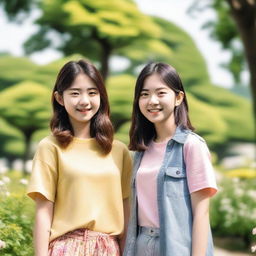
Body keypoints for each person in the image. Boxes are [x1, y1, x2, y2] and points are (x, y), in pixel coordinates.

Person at [27, 59, 132, 256]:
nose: (84, 101)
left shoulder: (119, 151)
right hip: (65, 248)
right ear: (59, 98)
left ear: (101, 96)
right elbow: (43, 213)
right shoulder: (50, 148)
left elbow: (127, 215)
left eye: (92, 93)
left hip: (109, 249)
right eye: (75, 93)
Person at [124, 62, 218, 256]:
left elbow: (202, 213)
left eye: (160, 93)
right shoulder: (141, 150)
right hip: (141, 245)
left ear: (178, 98)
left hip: (177, 248)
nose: (152, 101)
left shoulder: (191, 146)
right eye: (144, 94)